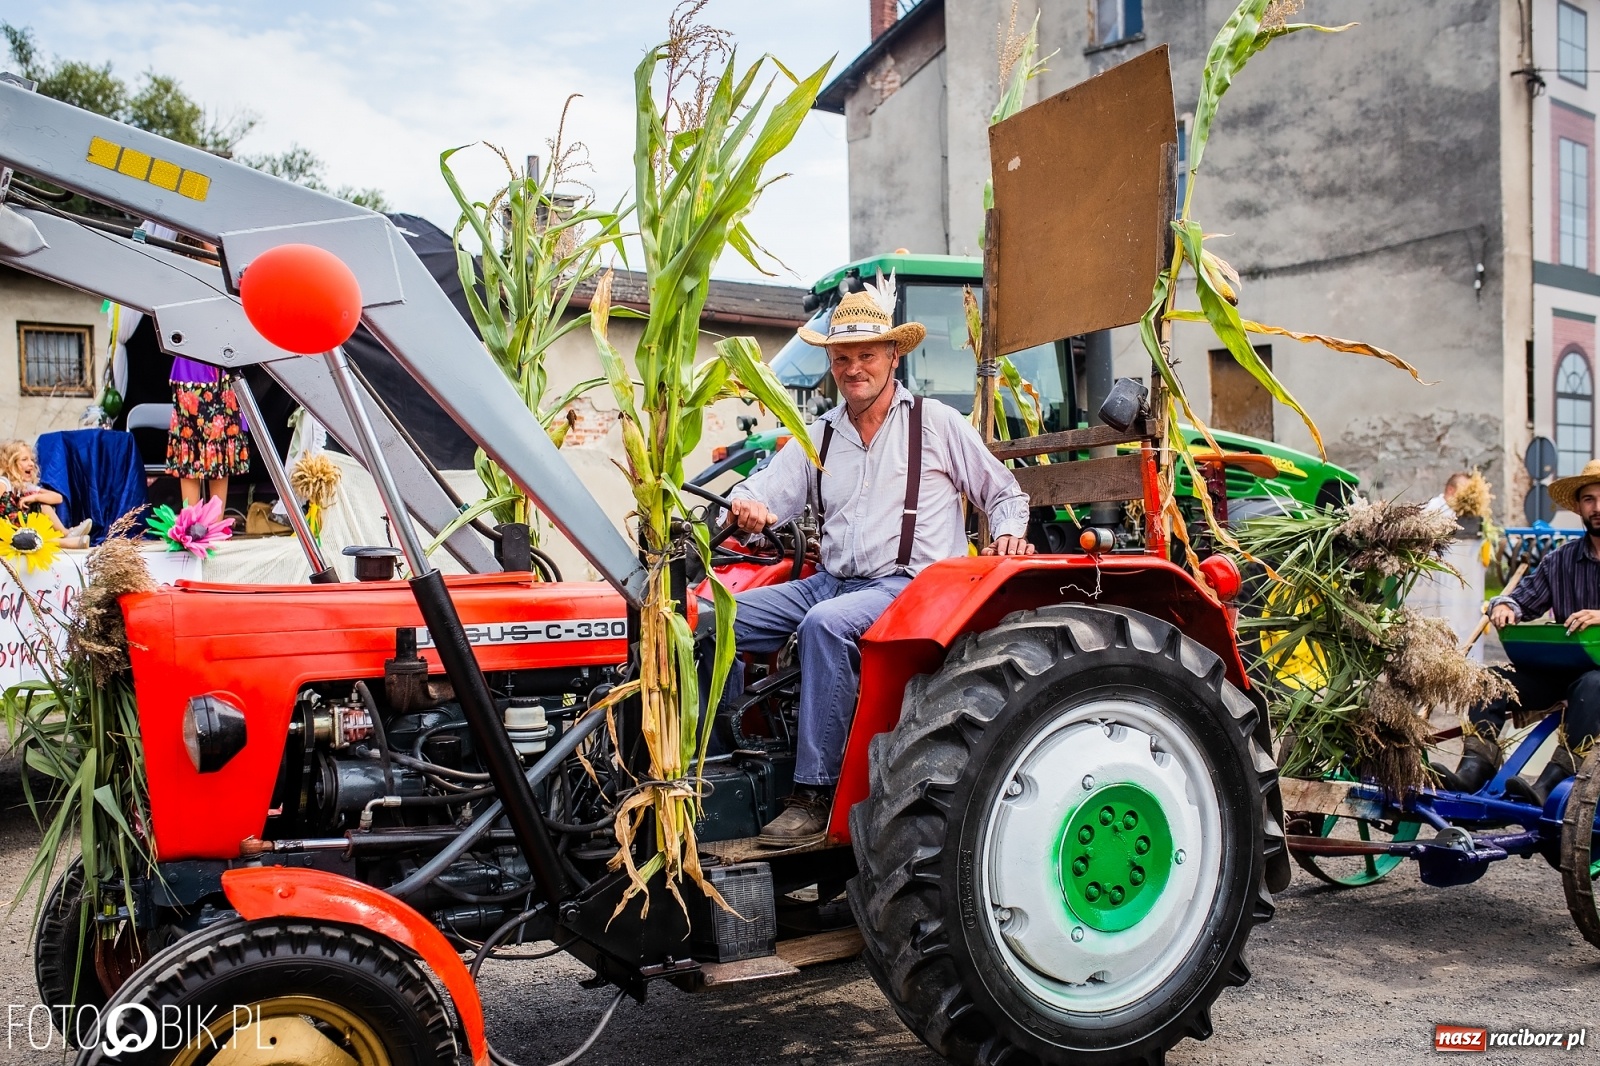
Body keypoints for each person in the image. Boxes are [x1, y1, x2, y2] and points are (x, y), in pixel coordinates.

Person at [725, 279, 1034, 846]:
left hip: (910, 586)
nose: (853, 368)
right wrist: (749, 505)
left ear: (893, 356)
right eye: (842, 358)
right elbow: (768, 491)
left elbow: (1005, 494)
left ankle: (813, 796)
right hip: (831, 581)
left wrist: (1010, 535)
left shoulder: (936, 424)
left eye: (867, 354)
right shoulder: (817, 434)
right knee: (711, 618)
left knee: (825, 627)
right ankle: (707, 770)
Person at [1447, 459, 1600, 802]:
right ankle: (1476, 767)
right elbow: (1520, 600)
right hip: (1561, 674)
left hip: (1596, 681)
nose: (1597, 507)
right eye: (1589, 499)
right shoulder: (1559, 562)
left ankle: (1553, 781)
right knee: (1491, 680)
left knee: (1594, 683)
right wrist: (1504, 607)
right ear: (1577, 506)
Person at [167, 355, 249, 509]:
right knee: (189, 447)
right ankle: (189, 526)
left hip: (222, 367)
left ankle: (215, 528)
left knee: (219, 449)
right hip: (190, 369)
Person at [0, 440, 90, 548]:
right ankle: (68, 541)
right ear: (9, 464)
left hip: (22, 530)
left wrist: (34, 497)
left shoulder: (24, 487)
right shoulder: (4, 483)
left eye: (32, 460)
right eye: (24, 459)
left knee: (43, 504)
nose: (31, 464)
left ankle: (66, 534)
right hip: (6, 531)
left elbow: (58, 498)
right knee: (28, 538)